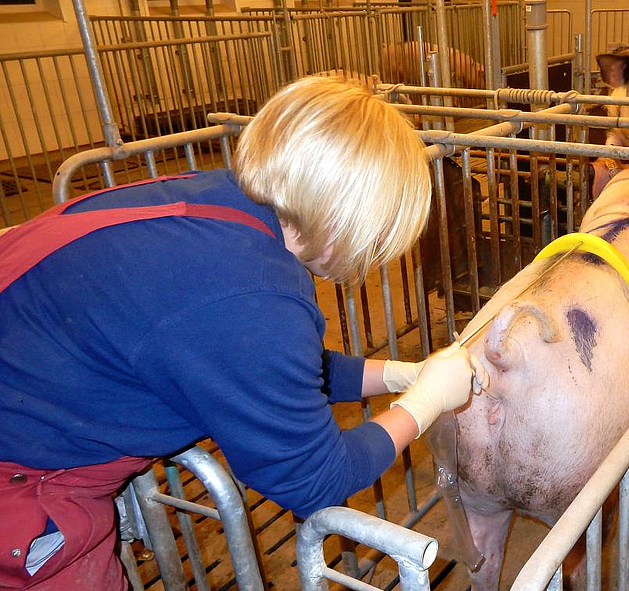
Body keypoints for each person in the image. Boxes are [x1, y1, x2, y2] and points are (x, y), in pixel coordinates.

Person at [0, 75, 486, 590]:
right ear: (353, 219)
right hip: (24, 482)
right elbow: (315, 479)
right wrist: (426, 401)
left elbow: (267, 367)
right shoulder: (250, 292)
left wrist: (397, 375)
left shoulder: (225, 209)